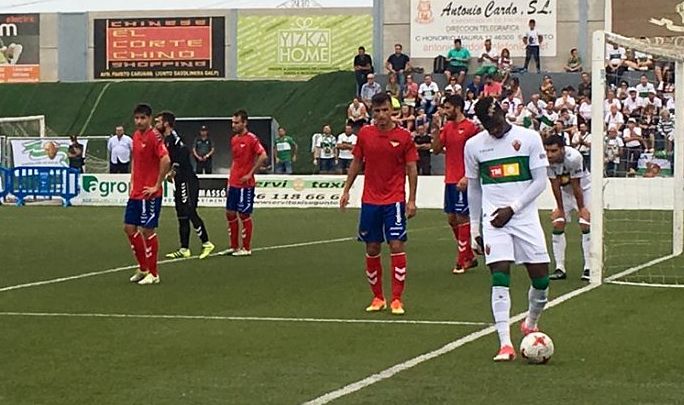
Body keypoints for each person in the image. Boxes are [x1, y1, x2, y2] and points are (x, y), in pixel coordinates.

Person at [465, 97, 551, 361]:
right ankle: (505, 344)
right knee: (499, 274)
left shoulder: (529, 137)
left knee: (541, 280)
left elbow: (540, 182)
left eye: (497, 123)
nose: (495, 129)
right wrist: (474, 228)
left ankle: (530, 323)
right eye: (488, 125)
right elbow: (474, 187)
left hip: (523, 217)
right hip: (494, 221)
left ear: (504, 112)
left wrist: (512, 209)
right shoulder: (474, 146)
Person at [340, 92, 418, 316]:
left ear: (392, 110)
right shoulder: (365, 134)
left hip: (394, 199)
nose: (381, 115)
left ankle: (396, 299)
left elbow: (412, 168)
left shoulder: (404, 136)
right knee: (372, 247)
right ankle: (377, 297)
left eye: (385, 110)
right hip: (370, 200)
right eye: (377, 111)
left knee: (396, 245)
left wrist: (411, 199)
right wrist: (346, 190)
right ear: (371, 112)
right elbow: (356, 162)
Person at [155, 111, 215, 260]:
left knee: (189, 210)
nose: (156, 125)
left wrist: (173, 169)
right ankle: (184, 248)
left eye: (158, 122)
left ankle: (206, 243)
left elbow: (184, 152)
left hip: (187, 180)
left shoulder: (174, 137)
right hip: (179, 181)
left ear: (166, 123)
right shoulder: (166, 139)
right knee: (181, 213)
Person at [432, 94, 479, 274]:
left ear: (457, 108)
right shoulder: (447, 127)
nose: (445, 111)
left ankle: (461, 260)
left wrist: (468, 176)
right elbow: (436, 150)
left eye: (448, 107)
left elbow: (476, 154)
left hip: (464, 179)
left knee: (462, 217)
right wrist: (436, 130)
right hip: (450, 179)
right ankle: (469, 255)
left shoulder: (470, 128)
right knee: (452, 218)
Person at [125, 104, 171, 286]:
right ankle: (143, 267)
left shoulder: (155, 136)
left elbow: (166, 159)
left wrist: (156, 185)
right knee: (129, 228)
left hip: (149, 193)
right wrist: (132, 180)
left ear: (149, 119)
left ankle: (154, 273)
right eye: (136, 118)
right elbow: (136, 160)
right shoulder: (136, 136)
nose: (139, 121)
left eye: (143, 118)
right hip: (136, 191)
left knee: (147, 230)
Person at [543, 135, 592, 281]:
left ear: (563, 149)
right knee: (558, 223)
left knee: (585, 223)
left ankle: (589, 267)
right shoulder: (546, 160)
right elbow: (554, 184)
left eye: (554, 151)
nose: (550, 155)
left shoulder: (574, 158)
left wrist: (582, 207)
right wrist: (560, 208)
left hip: (584, 189)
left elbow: (576, 184)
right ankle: (560, 268)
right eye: (548, 151)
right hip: (565, 192)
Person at [225, 110, 268, 257]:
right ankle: (234, 246)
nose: (234, 125)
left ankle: (246, 247)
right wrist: (230, 179)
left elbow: (263, 156)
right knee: (230, 212)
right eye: (233, 122)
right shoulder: (234, 139)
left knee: (244, 214)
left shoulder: (251, 139)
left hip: (246, 184)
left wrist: (250, 173)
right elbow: (235, 160)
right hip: (234, 181)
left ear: (244, 123)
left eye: (236, 122)